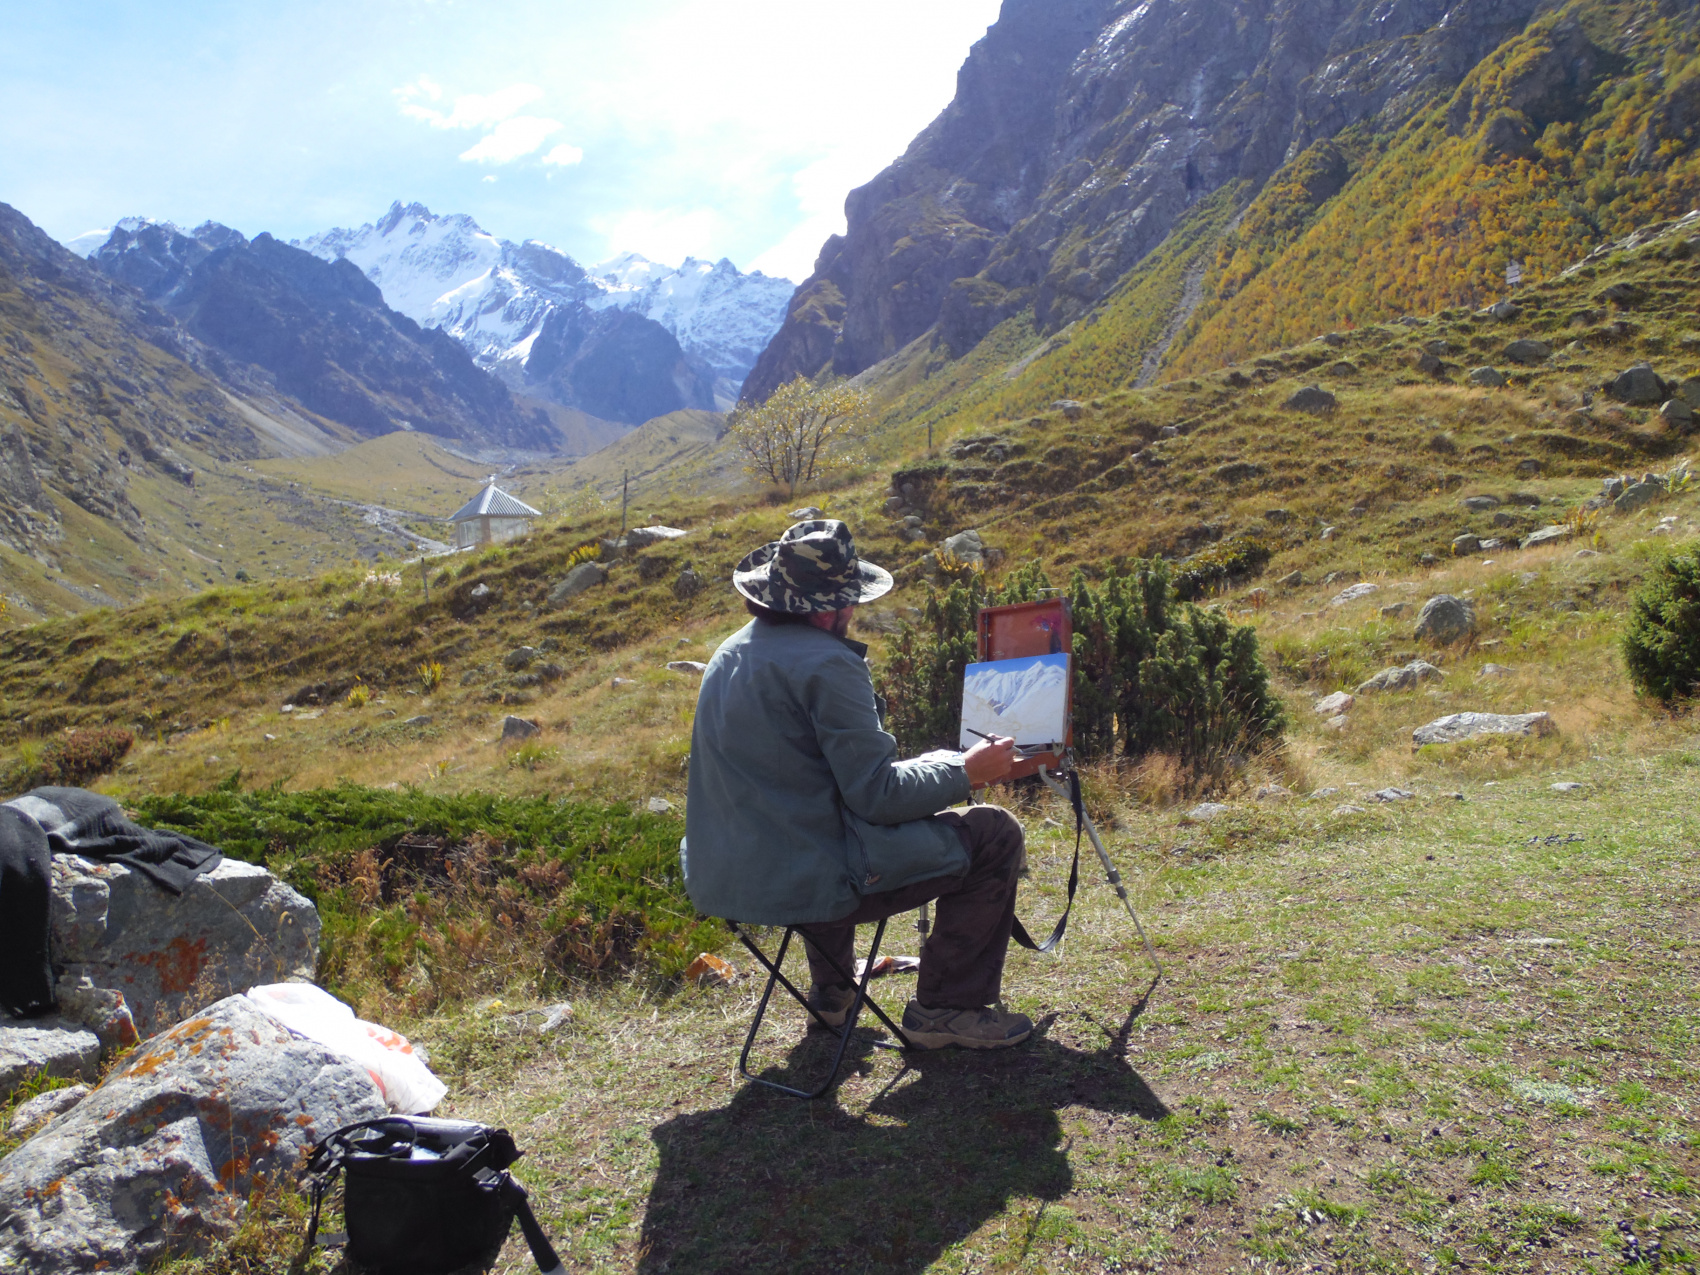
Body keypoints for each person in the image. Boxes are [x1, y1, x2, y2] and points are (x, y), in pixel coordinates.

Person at [682, 519, 1032, 1050]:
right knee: (993, 833)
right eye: (851, 602)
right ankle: (946, 1010)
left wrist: (939, 770)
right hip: (808, 879)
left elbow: (805, 782)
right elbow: (878, 797)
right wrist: (965, 772)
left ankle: (831, 995)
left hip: (726, 877)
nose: (853, 612)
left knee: (814, 831)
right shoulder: (827, 662)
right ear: (830, 608)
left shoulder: (732, 652)